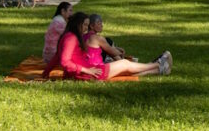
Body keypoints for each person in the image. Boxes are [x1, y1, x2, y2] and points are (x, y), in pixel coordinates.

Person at [43, 12, 171, 80]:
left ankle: (159, 69)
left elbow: (57, 57)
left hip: (88, 71)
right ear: (78, 24)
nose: (86, 28)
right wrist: (87, 70)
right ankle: (158, 64)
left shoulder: (67, 36)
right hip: (89, 73)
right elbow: (65, 62)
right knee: (125, 64)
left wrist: (45, 73)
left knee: (124, 70)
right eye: (85, 25)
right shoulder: (71, 38)